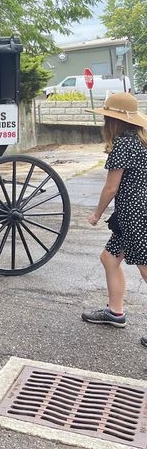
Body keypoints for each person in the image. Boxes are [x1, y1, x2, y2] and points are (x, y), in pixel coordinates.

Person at [81, 92, 147, 348]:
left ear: (114, 121)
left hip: (135, 215)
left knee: (144, 267)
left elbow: (111, 188)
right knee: (109, 258)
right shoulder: (142, 141)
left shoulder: (123, 145)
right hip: (135, 212)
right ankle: (115, 312)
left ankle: (115, 311)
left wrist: (96, 214)